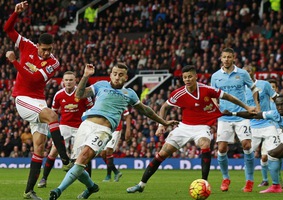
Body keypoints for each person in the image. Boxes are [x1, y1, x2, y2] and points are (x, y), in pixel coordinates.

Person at [49, 63, 179, 200]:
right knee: (76, 163)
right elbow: (79, 94)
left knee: (84, 157)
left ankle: (58, 191)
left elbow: (146, 110)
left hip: (103, 130)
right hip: (86, 125)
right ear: (111, 74)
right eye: (115, 74)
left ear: (126, 77)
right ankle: (91, 186)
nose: (117, 77)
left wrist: (163, 122)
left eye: (121, 75)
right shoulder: (100, 85)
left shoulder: (129, 93)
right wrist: (86, 75)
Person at [126, 65, 255, 193]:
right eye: (185, 77)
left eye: (190, 77)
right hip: (184, 127)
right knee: (162, 153)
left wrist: (247, 107)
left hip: (202, 127)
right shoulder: (179, 93)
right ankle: (141, 184)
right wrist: (162, 125)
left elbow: (228, 97)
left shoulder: (206, 90)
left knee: (205, 143)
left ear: (195, 77)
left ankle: (204, 183)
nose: (187, 79)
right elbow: (165, 107)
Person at [4, 2, 70, 199]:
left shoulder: (54, 63)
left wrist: (14, 61)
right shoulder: (27, 45)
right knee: (52, 115)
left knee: (39, 146)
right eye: (44, 49)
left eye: (49, 49)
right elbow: (8, 29)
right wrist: (15, 13)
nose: (46, 53)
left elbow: (33, 78)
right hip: (23, 99)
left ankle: (28, 191)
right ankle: (65, 159)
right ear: (38, 45)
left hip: (38, 101)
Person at [224, 94, 283, 195]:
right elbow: (254, 115)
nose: (280, 107)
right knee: (272, 154)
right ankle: (276, 186)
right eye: (277, 105)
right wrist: (232, 113)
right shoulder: (275, 114)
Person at [210, 47, 260, 192]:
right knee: (221, 148)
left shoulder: (243, 74)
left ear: (233, 58)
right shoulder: (215, 76)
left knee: (247, 145)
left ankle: (249, 180)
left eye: (229, 57)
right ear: (220, 58)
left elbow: (254, 88)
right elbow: (212, 94)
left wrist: (256, 106)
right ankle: (226, 178)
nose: (226, 59)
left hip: (241, 115)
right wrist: (215, 105)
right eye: (224, 57)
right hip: (224, 116)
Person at [37, 71, 94, 188]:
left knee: (85, 153)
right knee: (53, 151)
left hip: (80, 127)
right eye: (66, 80)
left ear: (75, 81)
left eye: (70, 80)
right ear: (63, 81)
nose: (68, 82)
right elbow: (53, 113)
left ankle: (89, 182)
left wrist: (89, 126)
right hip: (64, 126)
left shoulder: (82, 93)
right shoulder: (58, 95)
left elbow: (91, 110)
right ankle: (44, 179)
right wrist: (51, 129)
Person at [243, 66, 283, 193]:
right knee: (248, 154)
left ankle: (276, 185)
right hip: (251, 127)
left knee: (273, 154)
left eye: (249, 71)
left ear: (254, 73)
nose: (247, 74)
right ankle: (249, 183)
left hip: (268, 124)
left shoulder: (264, 85)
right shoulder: (241, 89)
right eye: (244, 72)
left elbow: (277, 98)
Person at [268, 79, 283, 187]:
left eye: (273, 87)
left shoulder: (281, 100)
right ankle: (276, 178)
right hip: (270, 131)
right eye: (270, 87)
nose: (271, 89)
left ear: (276, 88)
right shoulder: (264, 100)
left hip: (282, 129)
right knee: (272, 155)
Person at [101, 109, 131, 182]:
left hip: (116, 130)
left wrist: (128, 130)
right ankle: (116, 172)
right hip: (106, 129)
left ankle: (108, 176)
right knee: (103, 154)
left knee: (108, 151)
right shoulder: (104, 101)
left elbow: (127, 116)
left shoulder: (120, 101)